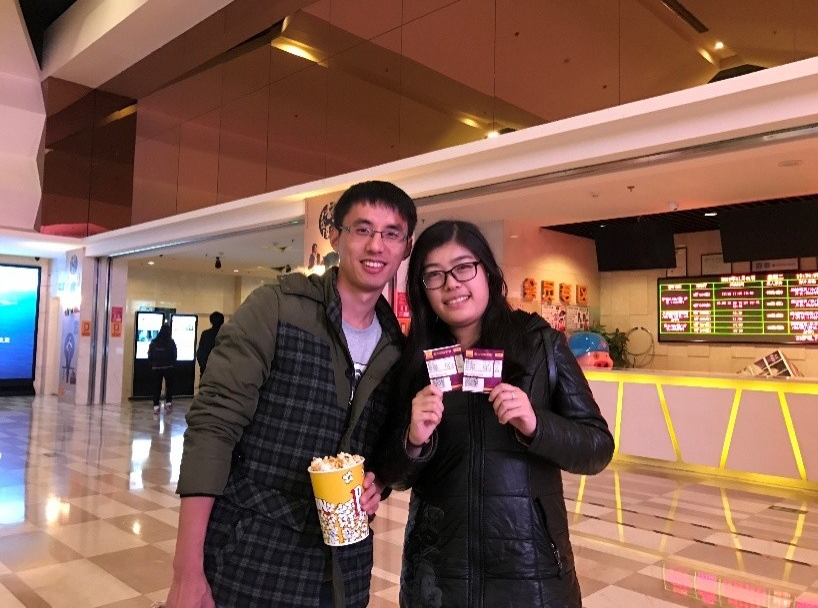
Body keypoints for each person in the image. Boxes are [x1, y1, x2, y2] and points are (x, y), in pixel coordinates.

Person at [167, 180, 417, 608]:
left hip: (344, 571)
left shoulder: (395, 346)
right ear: (335, 236)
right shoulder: (277, 308)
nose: (376, 245)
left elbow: (380, 451)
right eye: (362, 229)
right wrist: (186, 569)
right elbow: (212, 428)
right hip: (252, 558)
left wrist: (377, 484)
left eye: (391, 233)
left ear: (406, 247)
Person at [376, 220, 614, 607]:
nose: (451, 284)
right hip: (437, 577)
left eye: (463, 268)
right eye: (434, 275)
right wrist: (412, 440)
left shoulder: (540, 344)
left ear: (487, 271)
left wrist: (536, 425)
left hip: (531, 572)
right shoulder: (415, 360)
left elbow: (598, 447)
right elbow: (393, 475)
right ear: (422, 289)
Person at [148, 323, 177, 413]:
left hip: (156, 367)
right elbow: (174, 355)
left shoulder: (154, 342)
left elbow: (150, 354)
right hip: (168, 367)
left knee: (156, 386)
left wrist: (152, 364)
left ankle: (156, 406)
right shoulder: (171, 342)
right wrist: (173, 364)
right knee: (169, 385)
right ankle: (168, 403)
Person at [195, 311, 224, 376]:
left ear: (211, 321)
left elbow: (200, 352)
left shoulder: (205, 334)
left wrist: (203, 365)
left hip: (206, 369)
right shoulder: (226, 335)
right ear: (222, 322)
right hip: (222, 371)